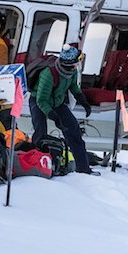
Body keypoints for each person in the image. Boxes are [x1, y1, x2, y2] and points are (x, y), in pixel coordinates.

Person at [28, 44, 96, 175]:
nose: (78, 64)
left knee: (73, 130)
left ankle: (83, 168)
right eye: (77, 61)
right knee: (40, 133)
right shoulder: (48, 74)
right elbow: (41, 100)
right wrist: (53, 117)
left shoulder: (72, 71)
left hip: (57, 101)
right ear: (70, 63)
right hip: (38, 100)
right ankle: (39, 167)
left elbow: (74, 87)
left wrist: (83, 101)